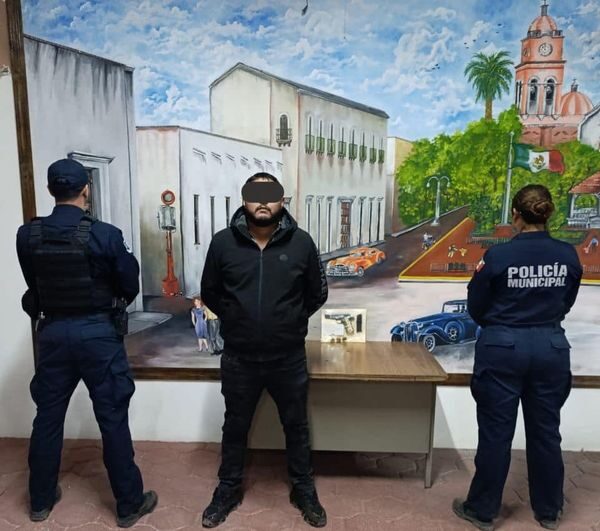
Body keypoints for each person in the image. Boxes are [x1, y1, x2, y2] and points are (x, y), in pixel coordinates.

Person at [16, 159, 157, 527]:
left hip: (53, 334)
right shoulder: (105, 234)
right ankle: (128, 505)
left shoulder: (26, 235)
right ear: (86, 189)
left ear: (50, 190)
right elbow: (129, 284)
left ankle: (40, 501)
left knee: (47, 418)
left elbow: (34, 283)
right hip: (98, 335)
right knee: (112, 418)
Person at [200, 172, 328, 528]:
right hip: (239, 357)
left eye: (270, 195)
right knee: (235, 426)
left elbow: (317, 292)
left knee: (296, 425)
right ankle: (227, 489)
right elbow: (210, 290)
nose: (262, 202)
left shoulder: (301, 243)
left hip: (287, 357)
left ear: (281, 201)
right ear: (244, 200)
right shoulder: (223, 243)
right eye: (255, 195)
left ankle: (303, 489)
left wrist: (288, 321)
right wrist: (236, 318)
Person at [453, 185, 582, 531]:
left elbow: (476, 306)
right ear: (549, 213)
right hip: (550, 347)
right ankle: (549, 511)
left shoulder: (497, 257)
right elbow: (567, 302)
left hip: (502, 349)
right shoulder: (568, 255)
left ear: (515, 215)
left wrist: (504, 326)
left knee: (496, 433)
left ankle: (482, 511)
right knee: (545, 432)